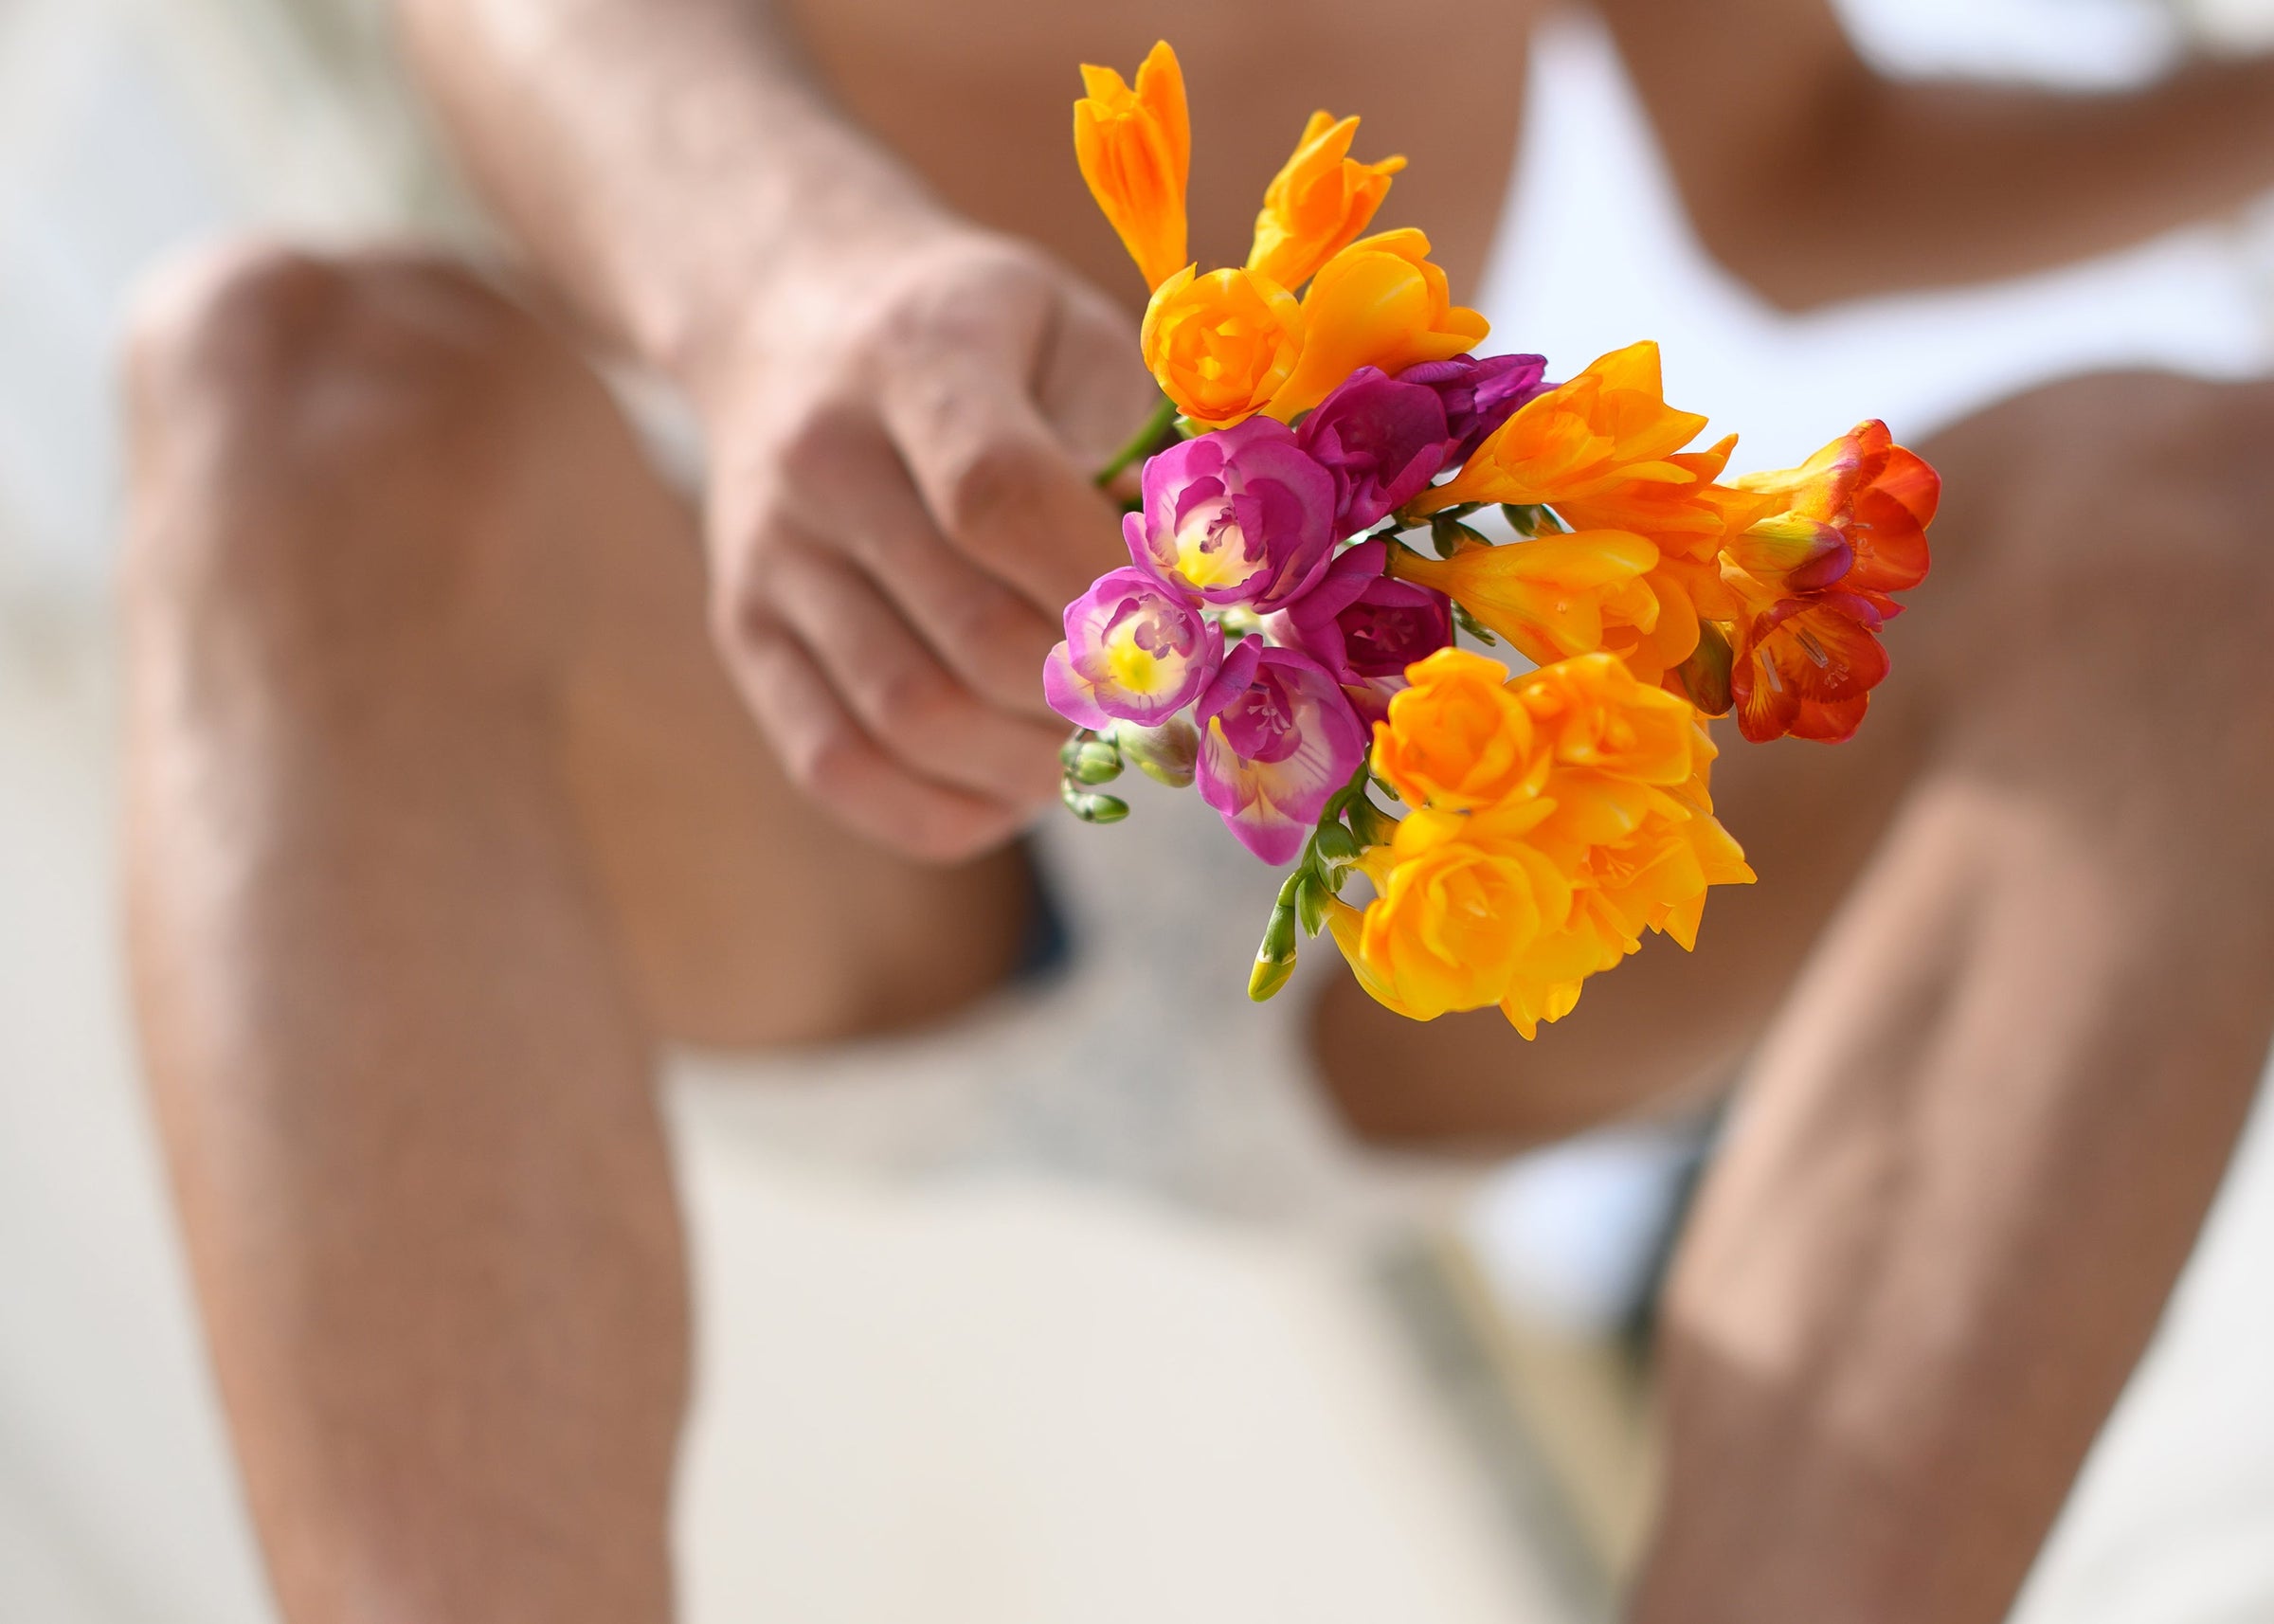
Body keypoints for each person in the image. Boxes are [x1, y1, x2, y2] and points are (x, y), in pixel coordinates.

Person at [117, 0, 2274, 1618]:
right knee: (281, 383)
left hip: (1410, 850)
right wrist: (793, 286)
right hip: (835, 733)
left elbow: (1796, 165)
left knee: (2208, 530)